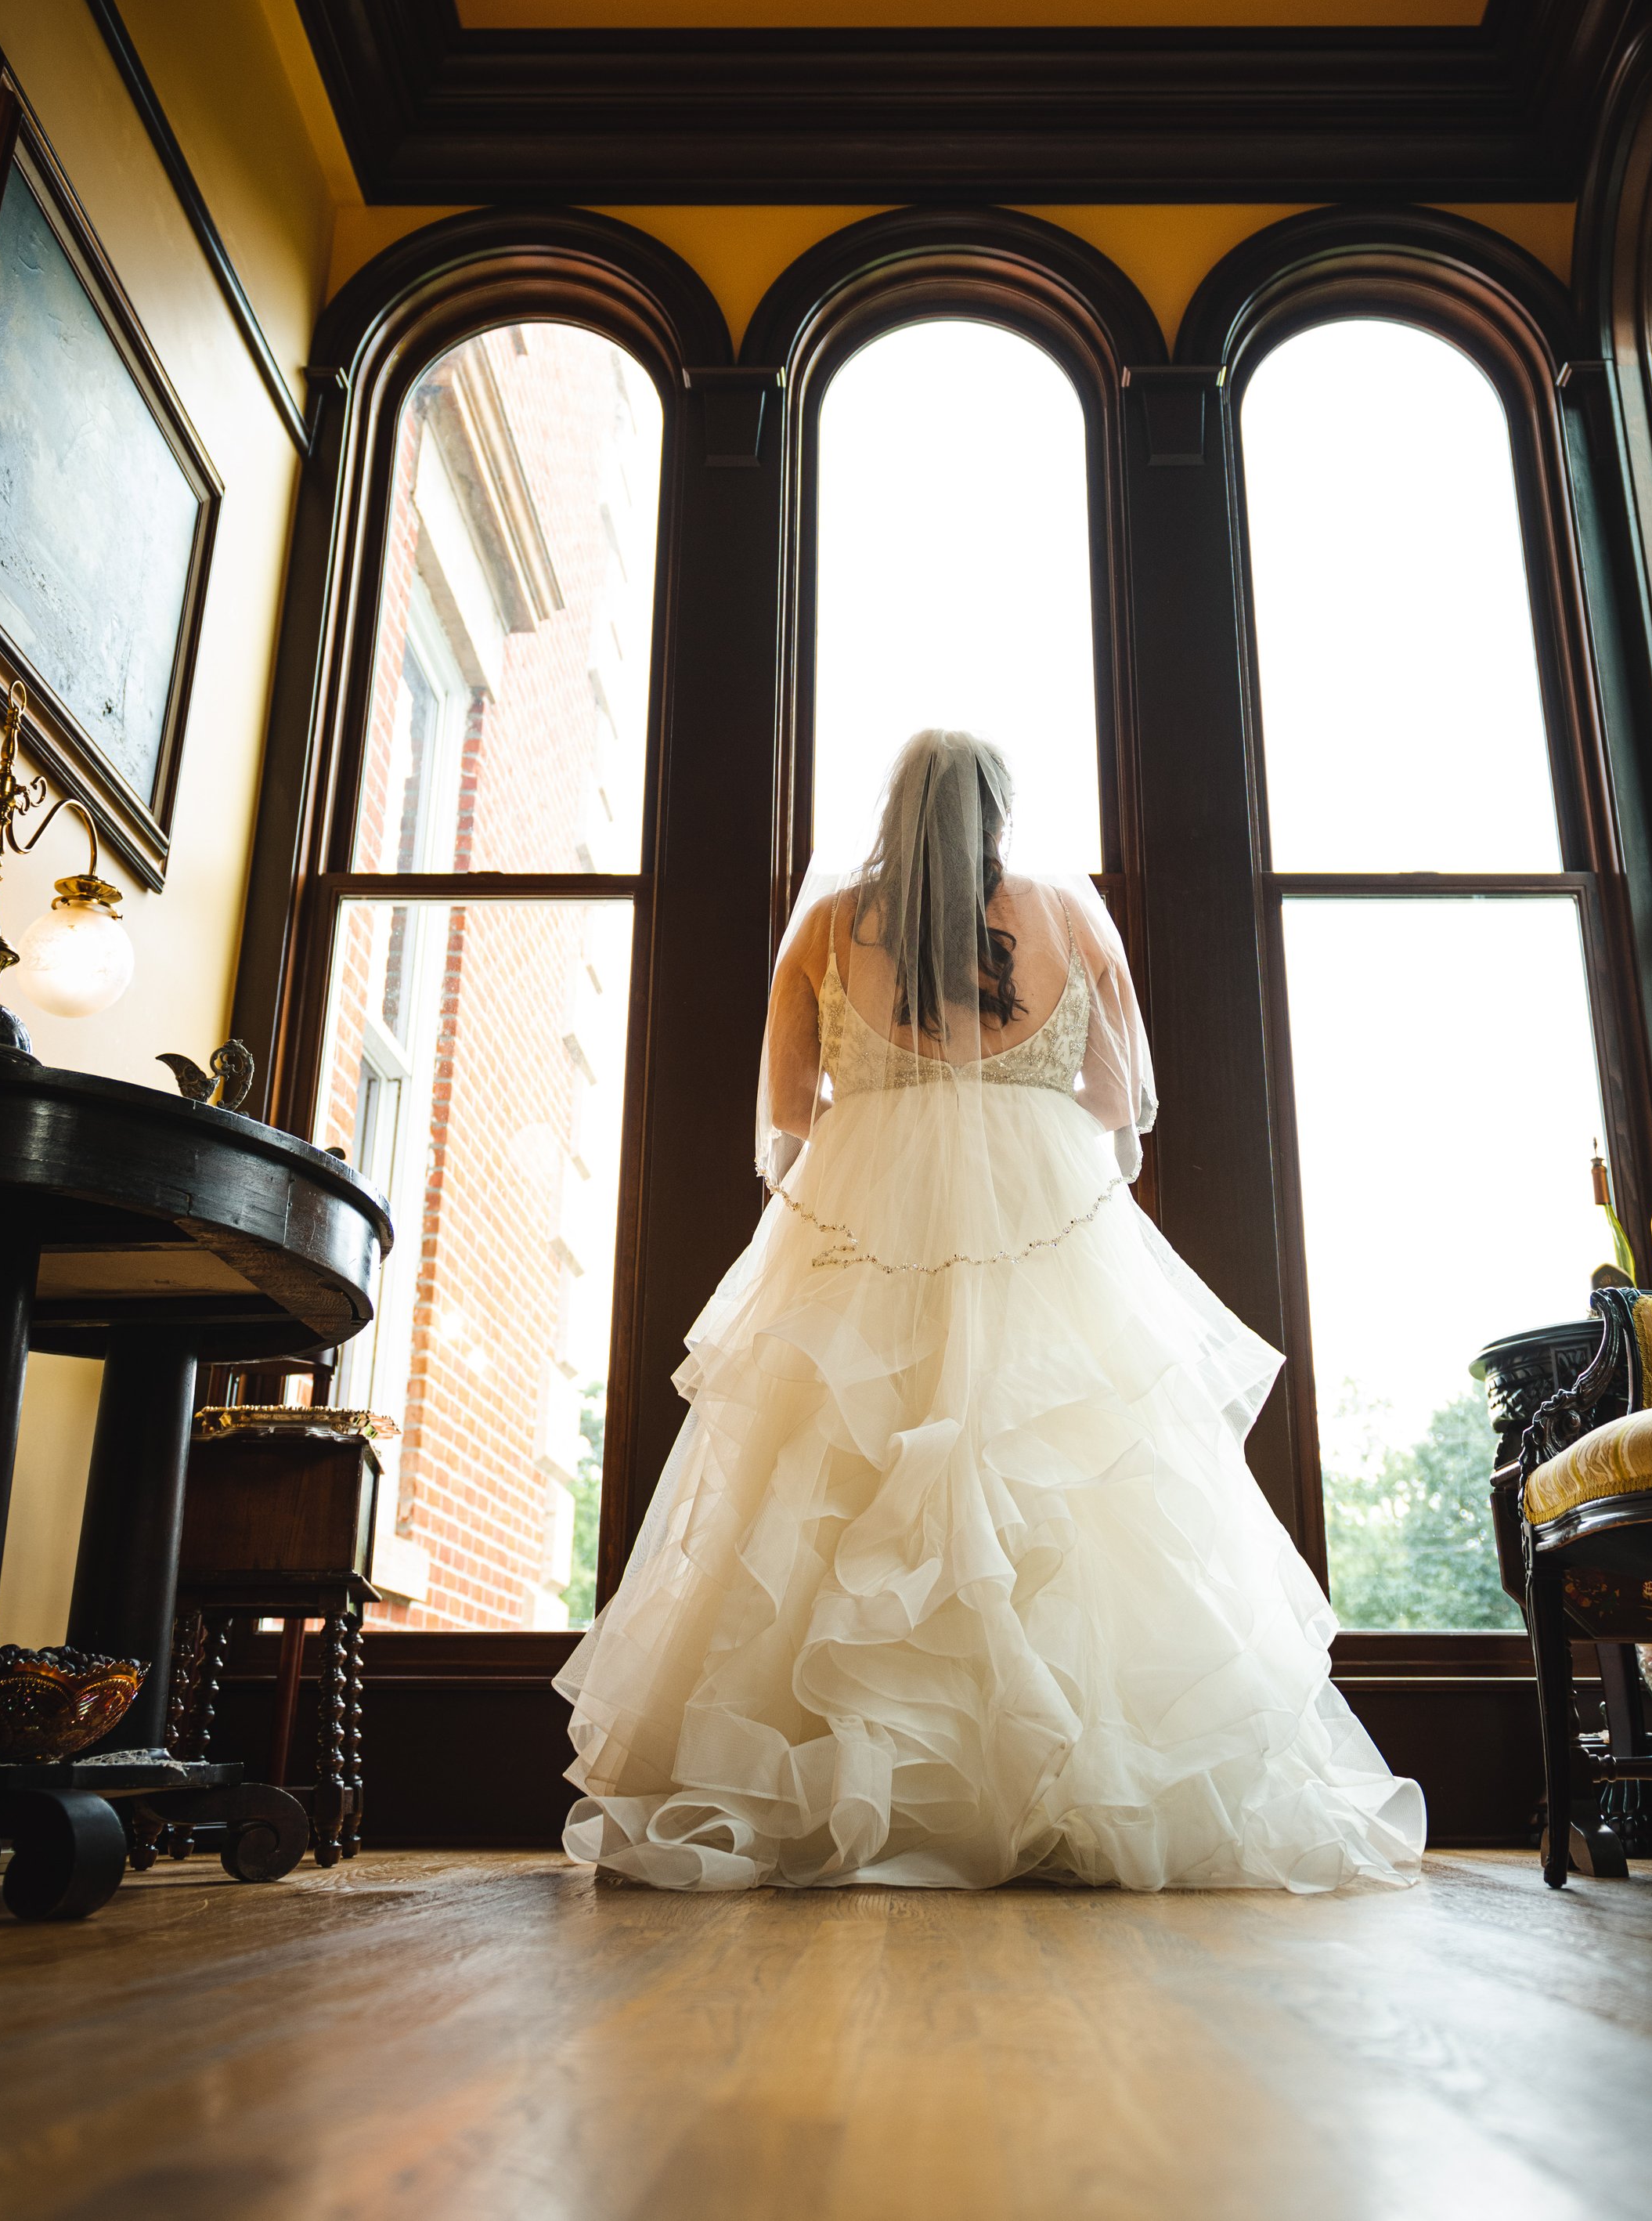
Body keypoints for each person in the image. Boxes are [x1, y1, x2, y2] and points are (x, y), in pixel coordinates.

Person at [557, 729, 1425, 1892]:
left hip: (866, 1218)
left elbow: (785, 1115)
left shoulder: (826, 926)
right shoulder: (1069, 918)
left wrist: (892, 1116)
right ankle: (1071, 1788)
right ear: (1000, 814)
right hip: (1045, 1214)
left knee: (830, 1481)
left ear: (894, 812)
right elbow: (1121, 1104)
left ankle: (852, 1785)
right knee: (1068, 1480)